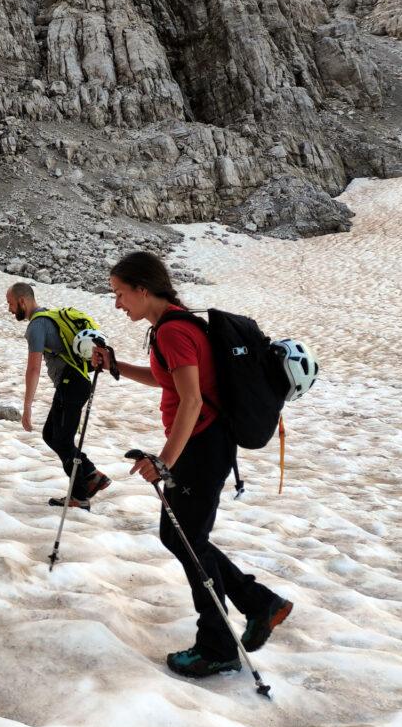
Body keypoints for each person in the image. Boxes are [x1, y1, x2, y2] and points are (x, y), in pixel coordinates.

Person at [92, 251, 292, 678]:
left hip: (202, 445)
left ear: (143, 290)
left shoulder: (172, 333)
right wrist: (115, 366)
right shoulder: (176, 325)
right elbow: (168, 379)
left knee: (186, 539)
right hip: (205, 443)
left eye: (120, 293)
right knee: (186, 537)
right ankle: (259, 604)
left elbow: (192, 400)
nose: (118, 303)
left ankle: (219, 646)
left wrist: (164, 462)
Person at [5, 282, 109, 511]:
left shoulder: (36, 327)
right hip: (72, 383)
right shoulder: (49, 318)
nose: (10, 309)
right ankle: (91, 474)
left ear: (23, 301)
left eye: (11, 304)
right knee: (51, 434)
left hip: (71, 383)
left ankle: (80, 496)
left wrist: (27, 406)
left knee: (62, 439)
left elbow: (33, 368)